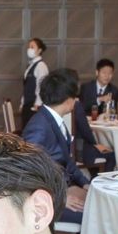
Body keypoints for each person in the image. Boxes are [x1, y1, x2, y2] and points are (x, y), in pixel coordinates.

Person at [21, 68, 90, 225]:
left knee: (100, 206)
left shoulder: (53, 119)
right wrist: (62, 198)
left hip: (62, 188)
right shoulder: (39, 126)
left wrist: (86, 184)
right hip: (49, 200)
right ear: (69, 101)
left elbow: (67, 161)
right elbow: (28, 171)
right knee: (95, 215)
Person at [71, 59, 118, 172]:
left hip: (102, 126)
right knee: (109, 154)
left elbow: (113, 111)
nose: (107, 76)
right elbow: (83, 106)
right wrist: (99, 99)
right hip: (84, 139)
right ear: (97, 72)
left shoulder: (114, 90)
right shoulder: (86, 88)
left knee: (109, 149)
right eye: (104, 72)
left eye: (110, 73)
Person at [19, 38, 49, 128]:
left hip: (34, 105)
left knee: (32, 129)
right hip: (27, 103)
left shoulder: (41, 66)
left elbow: (41, 86)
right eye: (29, 47)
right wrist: (22, 103)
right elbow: (26, 86)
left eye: (32, 47)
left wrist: (38, 104)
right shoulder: (31, 65)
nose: (29, 49)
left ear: (39, 50)